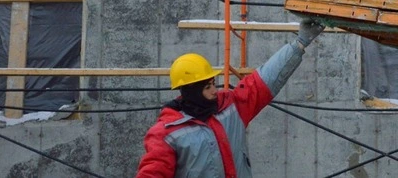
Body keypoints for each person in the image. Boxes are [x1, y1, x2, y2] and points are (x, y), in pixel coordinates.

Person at [136, 19, 326, 178]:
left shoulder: (230, 108)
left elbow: (266, 79)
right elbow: (153, 173)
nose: (214, 91)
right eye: (207, 87)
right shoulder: (166, 134)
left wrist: (300, 42)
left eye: (213, 83)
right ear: (190, 91)